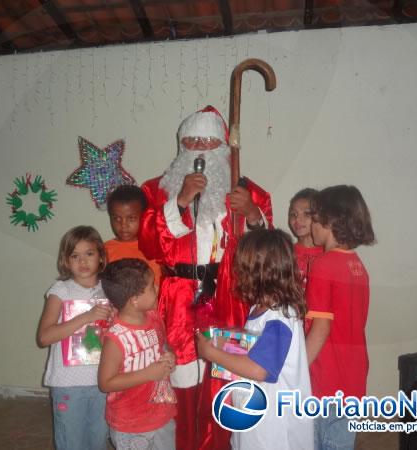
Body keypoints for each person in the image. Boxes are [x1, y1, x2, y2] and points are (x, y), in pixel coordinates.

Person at [139, 105, 273, 450]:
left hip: (229, 298)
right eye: (192, 141)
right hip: (177, 300)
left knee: (224, 378)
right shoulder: (157, 190)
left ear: (223, 148)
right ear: (181, 145)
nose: (199, 148)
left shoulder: (249, 193)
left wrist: (253, 215)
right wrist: (180, 201)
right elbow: (151, 245)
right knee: (179, 380)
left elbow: (269, 252)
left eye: (208, 142)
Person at [196, 229, 314, 450]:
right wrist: (229, 340)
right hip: (256, 413)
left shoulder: (279, 317)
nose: (237, 272)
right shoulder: (262, 307)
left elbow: (260, 370)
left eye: (242, 267)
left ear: (260, 272)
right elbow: (256, 345)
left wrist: (212, 353)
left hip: (274, 430)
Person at [304, 185, 376, 450]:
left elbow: (320, 328)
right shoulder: (358, 266)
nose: (311, 223)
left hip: (328, 377)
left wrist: (298, 368)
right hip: (354, 374)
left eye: (313, 217)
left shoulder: (323, 265)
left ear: (329, 221)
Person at [37, 225, 113, 450]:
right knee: (71, 442)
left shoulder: (109, 290)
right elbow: (44, 337)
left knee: (98, 441)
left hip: (102, 381)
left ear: (100, 256)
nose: (83, 261)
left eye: (89, 254)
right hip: (68, 384)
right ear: (66, 261)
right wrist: (86, 317)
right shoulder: (61, 291)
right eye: (75, 256)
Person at [98, 258, 177, 449]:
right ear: (134, 299)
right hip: (131, 425)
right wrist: (148, 374)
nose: (157, 288)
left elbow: (164, 346)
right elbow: (106, 383)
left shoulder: (154, 317)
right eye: (151, 287)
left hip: (162, 415)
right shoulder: (116, 338)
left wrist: (170, 357)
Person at [104, 185, 162, 285]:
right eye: (117, 218)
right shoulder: (103, 251)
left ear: (144, 216)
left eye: (131, 218)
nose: (123, 225)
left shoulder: (156, 249)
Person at [288, 188, 323, 285]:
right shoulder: (286, 253)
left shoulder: (328, 254)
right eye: (293, 214)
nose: (298, 219)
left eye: (307, 214)